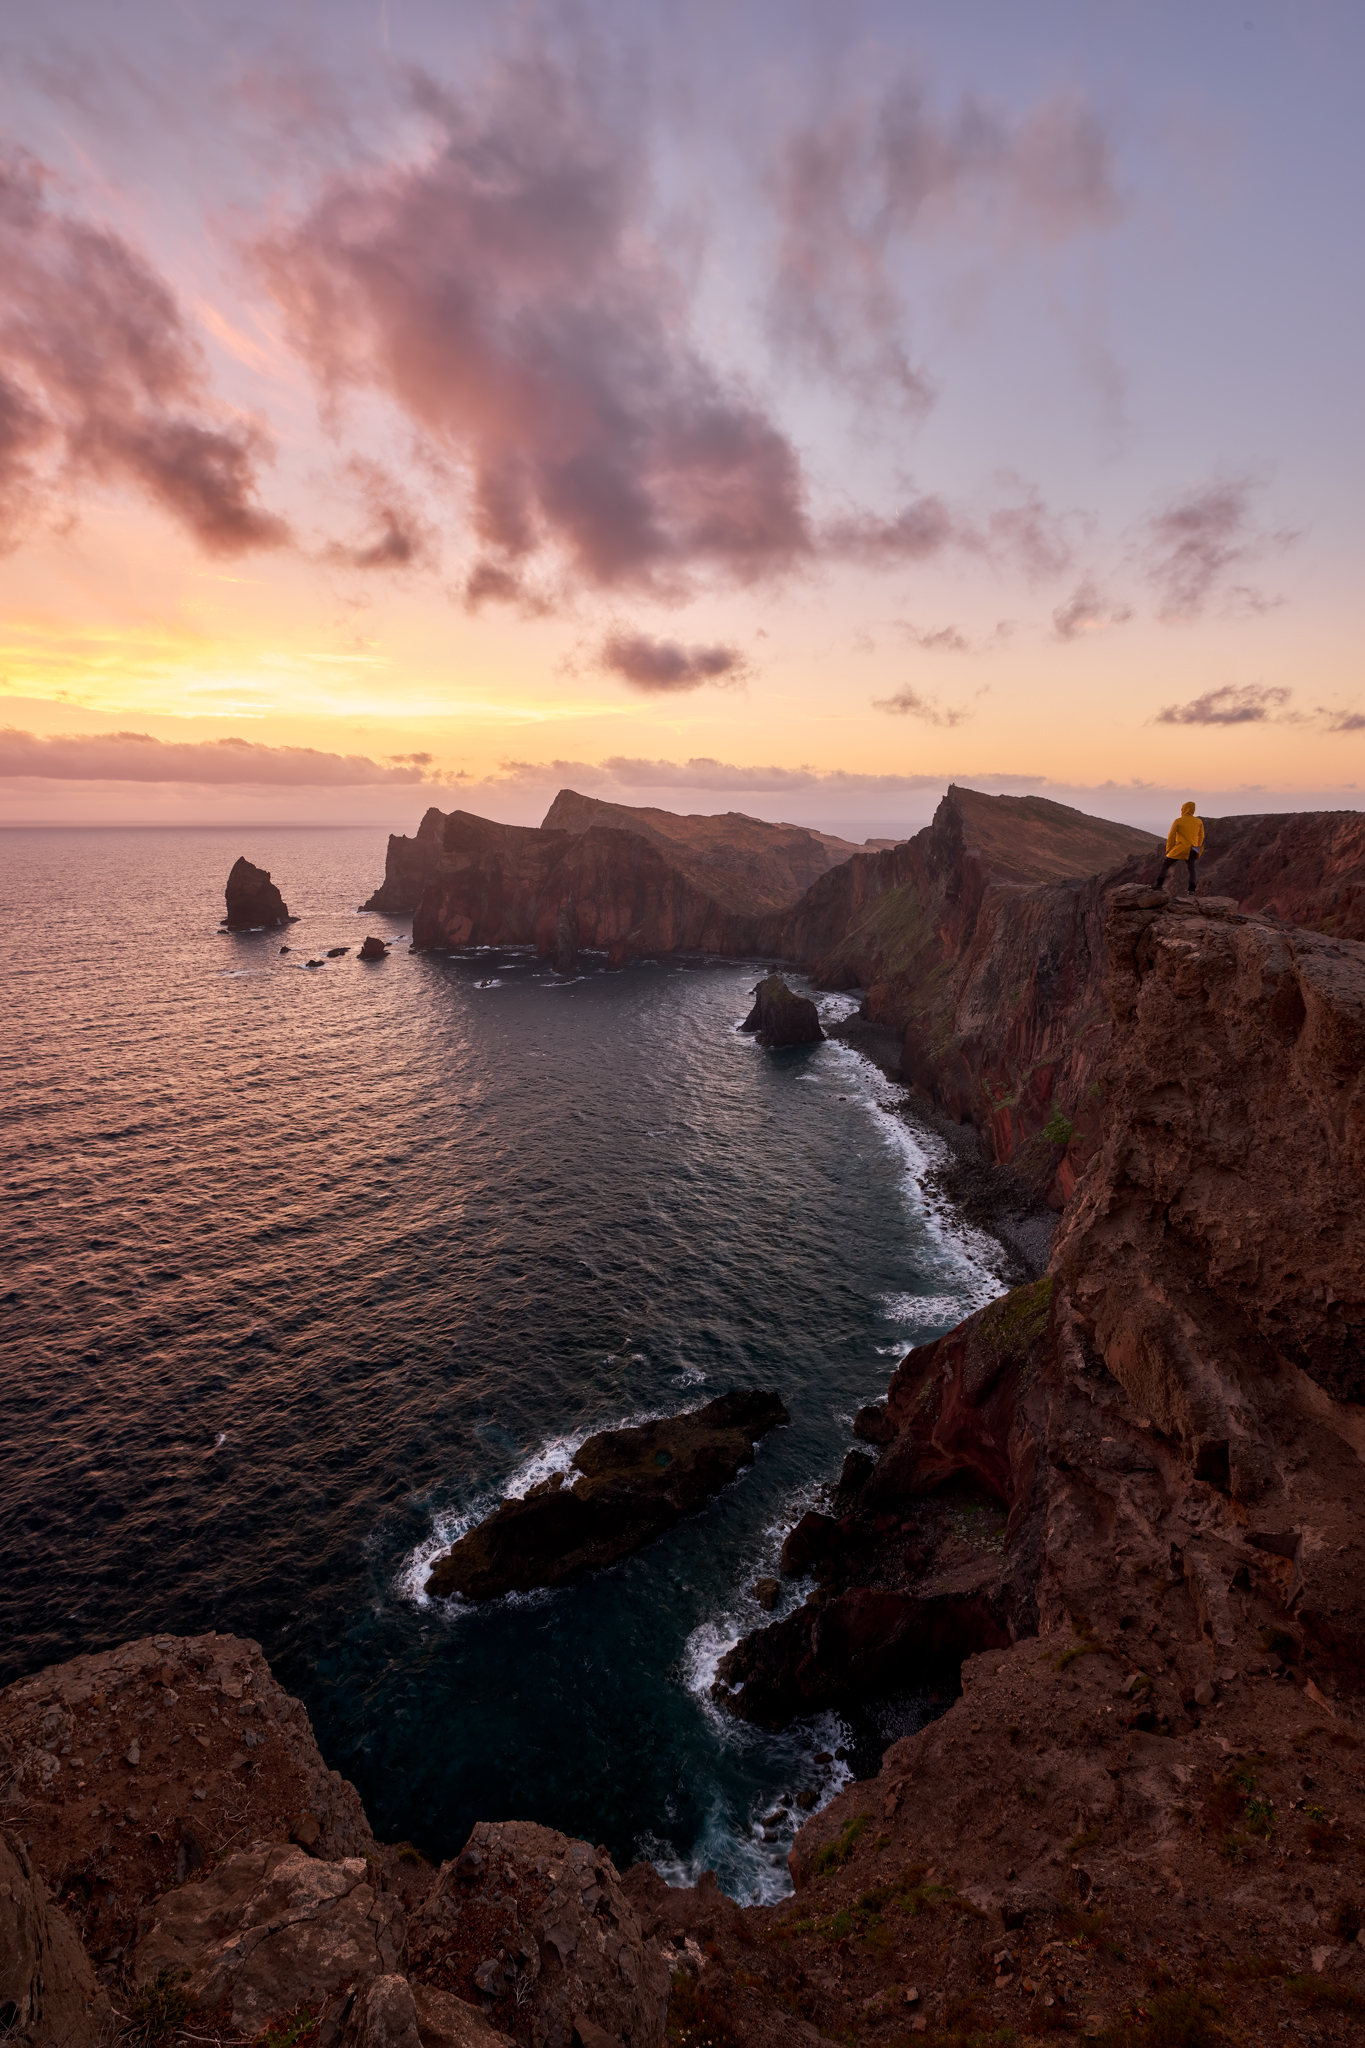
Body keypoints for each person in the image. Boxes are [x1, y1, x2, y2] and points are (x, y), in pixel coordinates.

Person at [1159, 800, 1205, 893]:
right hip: (1192, 848)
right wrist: (1197, 850)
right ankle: (1191, 890)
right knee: (1191, 868)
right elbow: (1201, 837)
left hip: (1180, 847)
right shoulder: (1198, 821)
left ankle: (1158, 884)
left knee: (1166, 864)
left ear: (1184, 809)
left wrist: (1168, 849)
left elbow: (1171, 836)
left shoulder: (1178, 821)